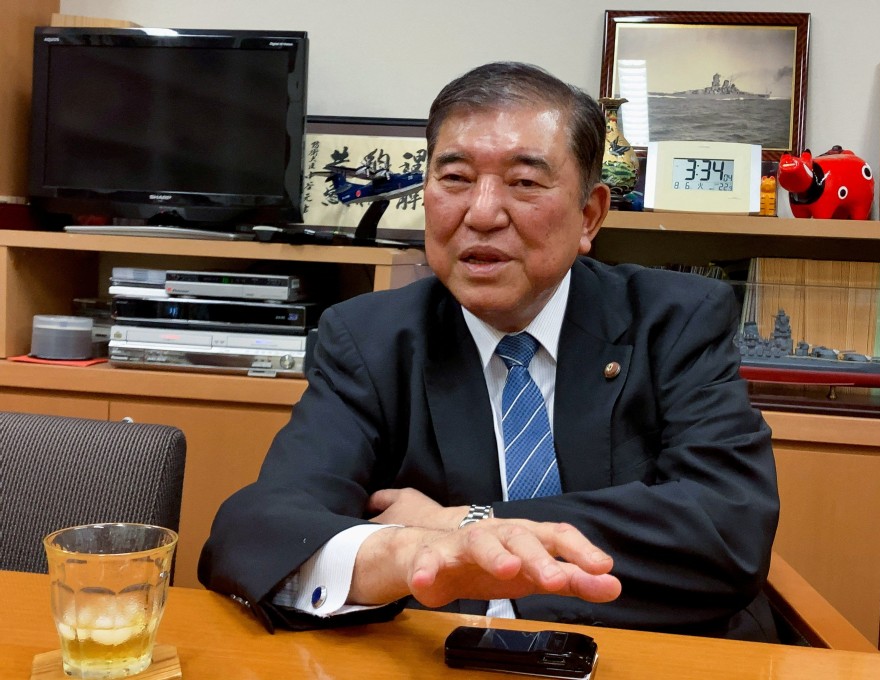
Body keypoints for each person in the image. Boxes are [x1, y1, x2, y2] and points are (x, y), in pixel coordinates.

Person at [199, 61, 780, 641]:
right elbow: (259, 532)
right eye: (455, 178)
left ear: (590, 216)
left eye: (524, 183)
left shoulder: (675, 321)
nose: (481, 213)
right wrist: (414, 554)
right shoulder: (369, 339)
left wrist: (468, 525)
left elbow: (726, 530)